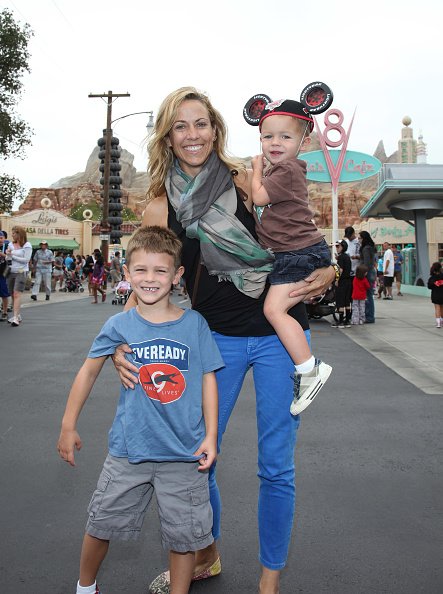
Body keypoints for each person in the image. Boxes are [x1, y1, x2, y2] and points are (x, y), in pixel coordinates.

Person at [111, 87, 334, 594]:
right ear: (168, 135)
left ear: (216, 129)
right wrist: (121, 342)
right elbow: (150, 278)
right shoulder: (159, 203)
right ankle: (207, 554)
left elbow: (302, 233)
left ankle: (269, 580)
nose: (193, 135)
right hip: (215, 341)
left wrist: (331, 269)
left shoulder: (246, 177)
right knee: (198, 458)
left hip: (280, 333)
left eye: (201, 124)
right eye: (181, 126)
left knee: (276, 467)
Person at [250, 99, 332, 414]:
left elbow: (258, 197)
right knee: (277, 308)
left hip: (298, 253)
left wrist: (256, 170)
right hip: (295, 251)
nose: (275, 143)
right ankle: (306, 368)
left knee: (274, 310)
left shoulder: (286, 168)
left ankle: (309, 369)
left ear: (303, 141)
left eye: (285, 137)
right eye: (268, 136)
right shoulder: (286, 170)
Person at [5, 226, 32, 326]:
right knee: (12, 293)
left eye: (14, 233)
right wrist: (8, 254)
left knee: (17, 294)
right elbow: (8, 258)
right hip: (11, 271)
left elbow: (26, 260)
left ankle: (16, 317)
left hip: (21, 271)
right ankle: (18, 315)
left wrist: (12, 256)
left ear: (19, 234)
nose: (12, 235)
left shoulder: (27, 245)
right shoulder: (11, 244)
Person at [331, 240, 352, 328]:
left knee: (340, 301)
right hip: (349, 281)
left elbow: (341, 270)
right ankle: (347, 321)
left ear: (342, 247)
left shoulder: (341, 258)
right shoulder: (347, 257)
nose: (336, 248)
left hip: (342, 281)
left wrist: (337, 280)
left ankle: (340, 321)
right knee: (347, 302)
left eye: (338, 246)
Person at [358, 231, 376, 323]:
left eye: (360, 238)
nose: (359, 240)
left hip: (367, 274)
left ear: (364, 238)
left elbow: (366, 263)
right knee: (369, 295)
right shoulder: (370, 248)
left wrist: (362, 274)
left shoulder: (365, 249)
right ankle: (369, 316)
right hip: (371, 273)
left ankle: (369, 317)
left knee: (368, 295)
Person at [427, 261, 443, 328]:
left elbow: (429, 286)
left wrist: (435, 284)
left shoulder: (432, 278)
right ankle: (442, 321)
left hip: (435, 295)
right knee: (442, 308)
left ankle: (438, 323)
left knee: (437, 308)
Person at [0, 231, 10, 321]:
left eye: (1, 238)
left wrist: (2, 254)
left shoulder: (7, 246)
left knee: (4, 293)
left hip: (3, 273)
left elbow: (10, 257)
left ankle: (5, 312)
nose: (0, 240)